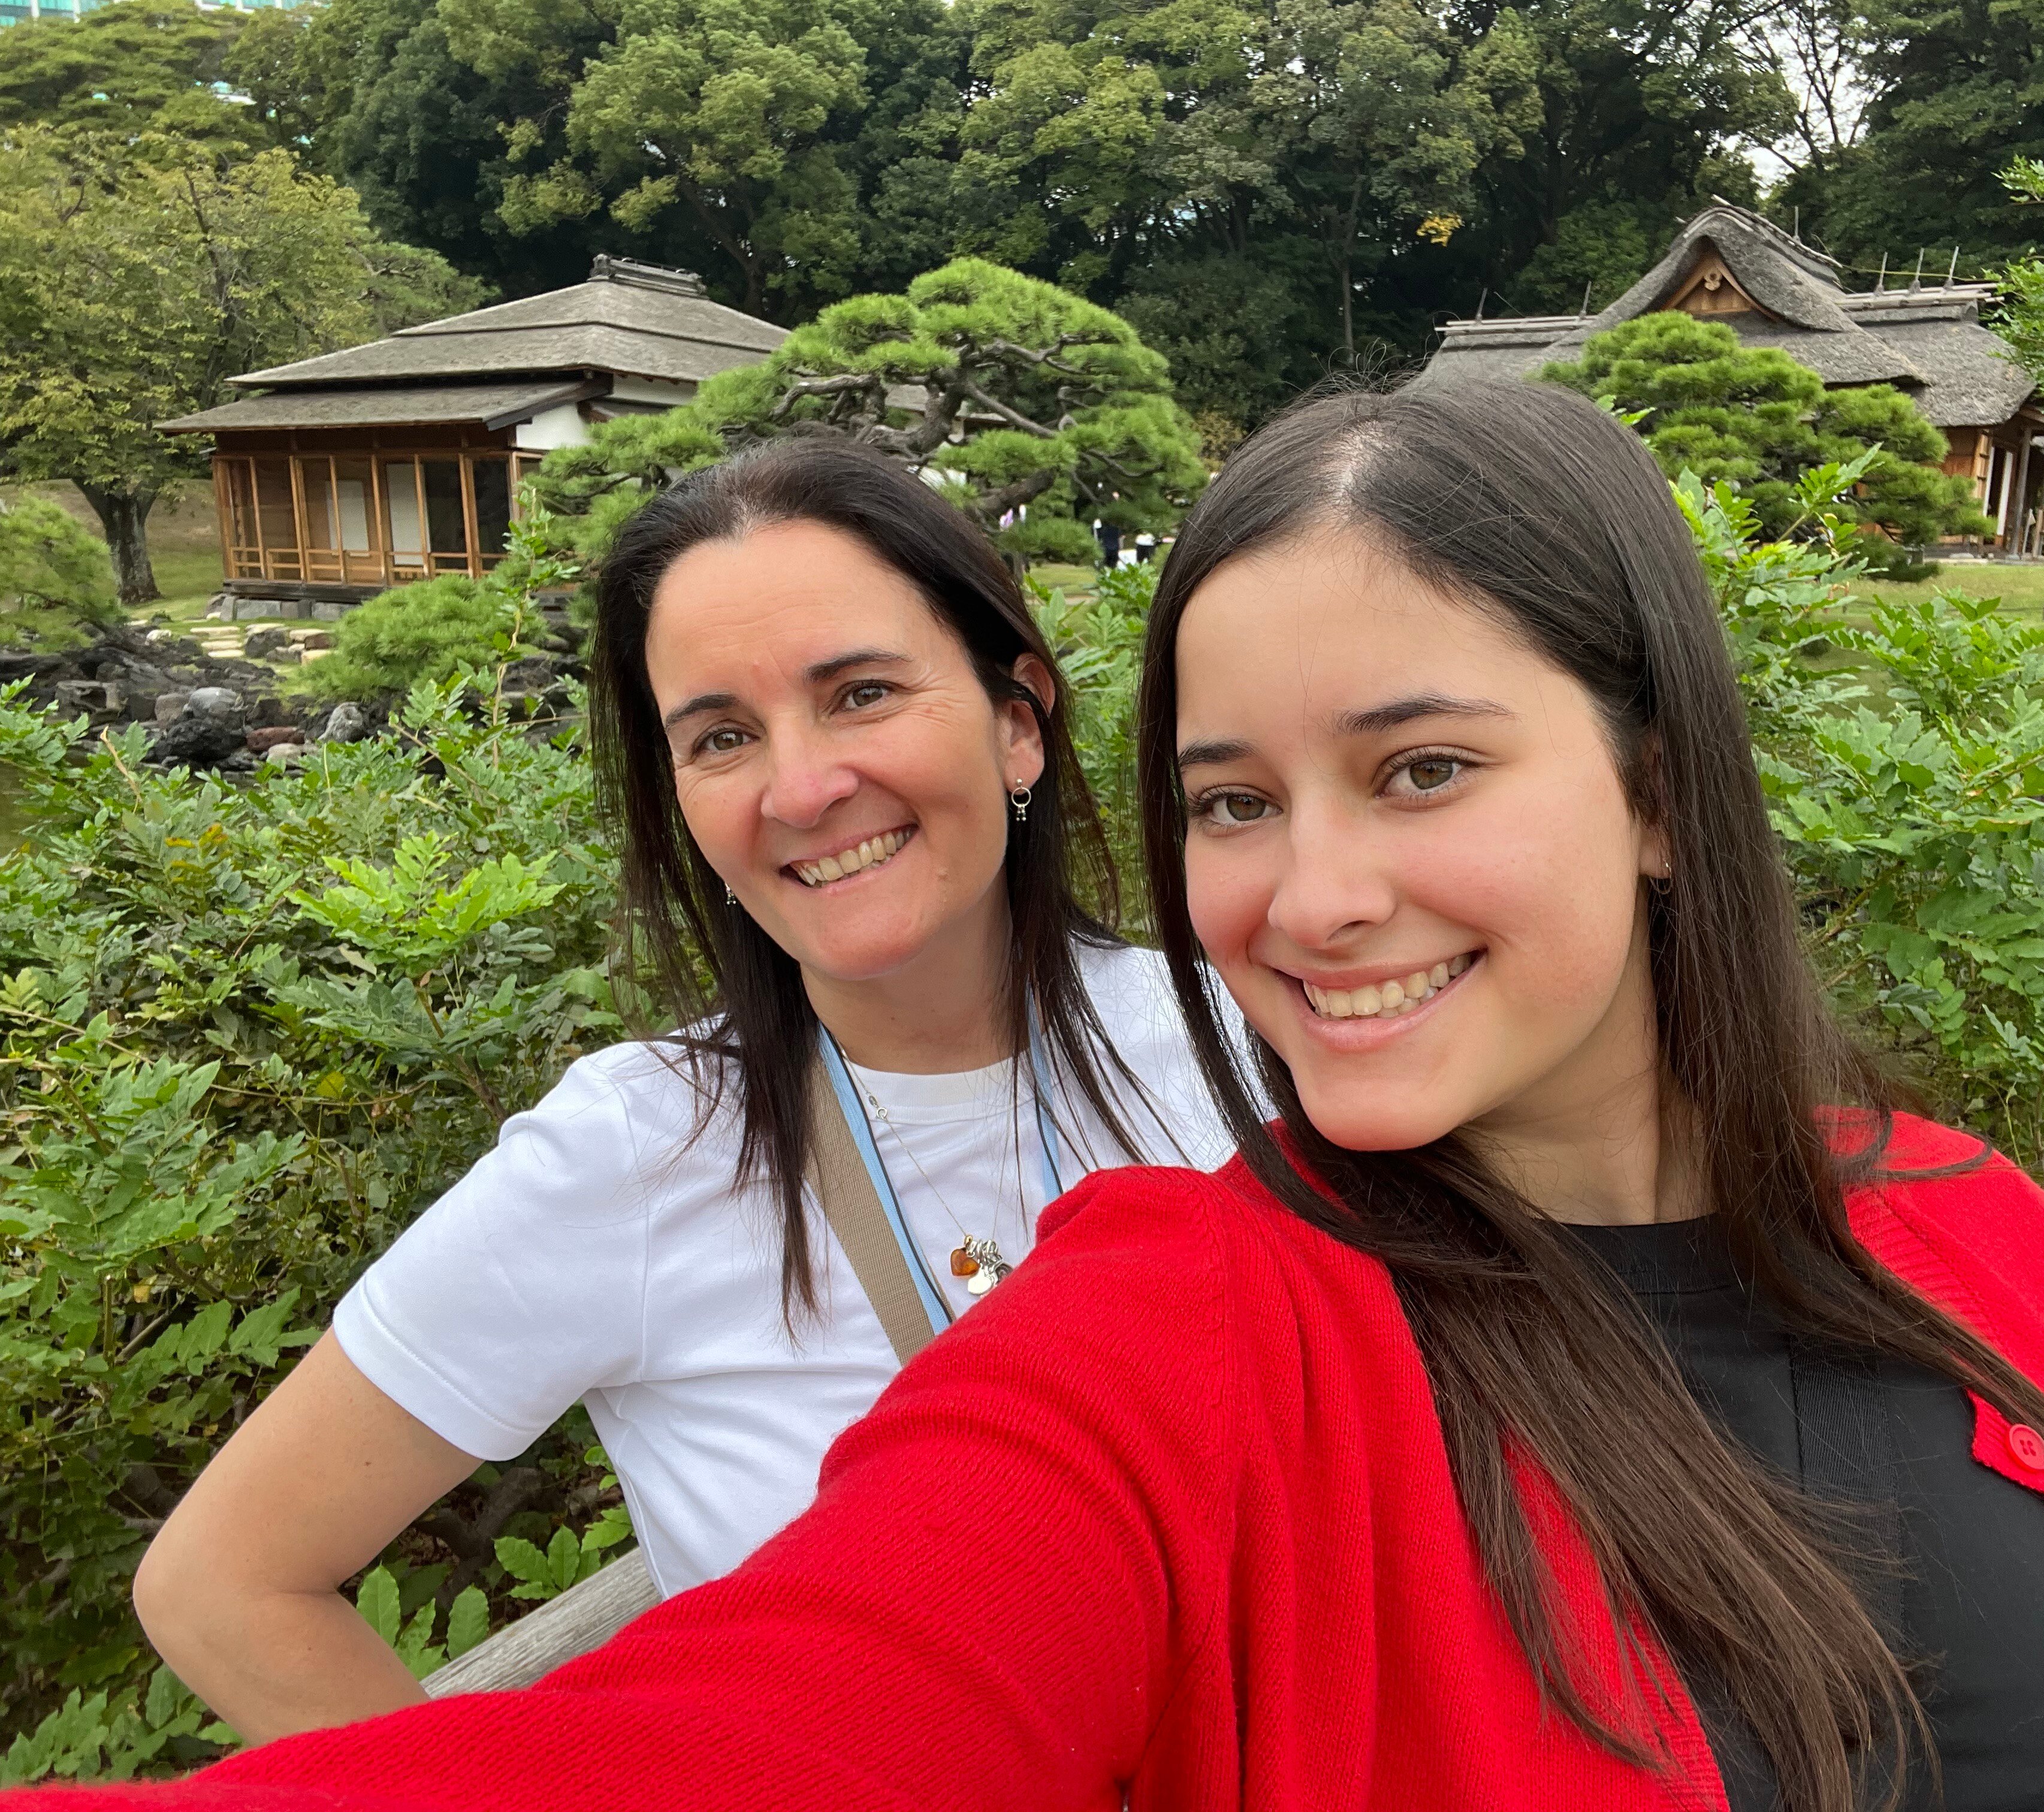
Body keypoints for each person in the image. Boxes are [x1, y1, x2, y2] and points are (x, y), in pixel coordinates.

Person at [29, 384, 2044, 1812]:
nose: (1312, 897)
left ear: (1657, 782)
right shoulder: (1141, 1307)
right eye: (711, 731)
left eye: (1419, 765)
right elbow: (788, 1702)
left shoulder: (1967, 1222)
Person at [125, 442, 1232, 1746]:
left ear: (1017, 720)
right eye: (721, 736)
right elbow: (220, 1584)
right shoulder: (636, 1154)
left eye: (863, 693)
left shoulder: (1238, 1042)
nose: (803, 788)